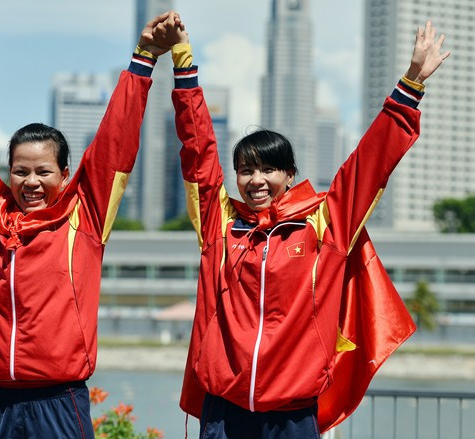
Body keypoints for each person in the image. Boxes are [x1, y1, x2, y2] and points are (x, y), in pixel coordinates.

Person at [155, 18, 450, 438]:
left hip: (292, 415)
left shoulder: (323, 222)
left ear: (289, 174)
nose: (256, 180)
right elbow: (197, 148)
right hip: (223, 411)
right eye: (245, 170)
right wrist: (183, 61)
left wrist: (411, 85)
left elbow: (368, 164)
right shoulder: (220, 224)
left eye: (268, 169)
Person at [0, 12, 179, 438]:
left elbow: (115, 142)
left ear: (64, 174)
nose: (31, 182)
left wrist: (143, 60)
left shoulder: (84, 214)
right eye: (20, 171)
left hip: (58, 400)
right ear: (7, 171)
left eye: (43, 172)